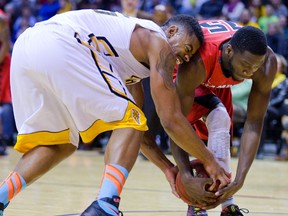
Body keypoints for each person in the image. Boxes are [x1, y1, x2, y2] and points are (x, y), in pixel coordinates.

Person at [0, 9, 230, 216]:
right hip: (62, 41)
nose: (186, 58)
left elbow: (137, 132)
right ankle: (105, 206)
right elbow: (170, 118)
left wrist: (167, 168)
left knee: (59, 144)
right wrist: (211, 161)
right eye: (187, 48)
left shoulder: (128, 57)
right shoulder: (158, 41)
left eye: (190, 56)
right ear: (171, 31)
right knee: (130, 119)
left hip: (27, 47)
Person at [141, 20, 277, 216]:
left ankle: (228, 205)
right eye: (246, 66)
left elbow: (254, 123)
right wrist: (185, 175)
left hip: (217, 78)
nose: (250, 73)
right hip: (184, 70)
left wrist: (239, 180)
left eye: (255, 68)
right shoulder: (197, 61)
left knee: (220, 135)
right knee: (218, 117)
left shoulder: (266, 64)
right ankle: (196, 204)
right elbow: (178, 121)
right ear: (229, 51)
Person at [0, 9, 16, 156]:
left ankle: (3, 140)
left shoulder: (2, 17)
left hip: (3, 64)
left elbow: (3, 18)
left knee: (5, 108)